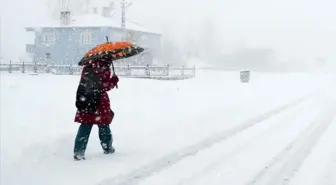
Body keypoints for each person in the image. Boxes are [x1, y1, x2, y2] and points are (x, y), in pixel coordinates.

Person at [73, 59, 119, 161]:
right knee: (104, 126)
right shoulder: (104, 68)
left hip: (86, 100)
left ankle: (78, 152)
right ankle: (107, 147)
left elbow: (86, 82)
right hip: (99, 102)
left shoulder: (87, 67)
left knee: (85, 126)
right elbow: (103, 86)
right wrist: (113, 81)